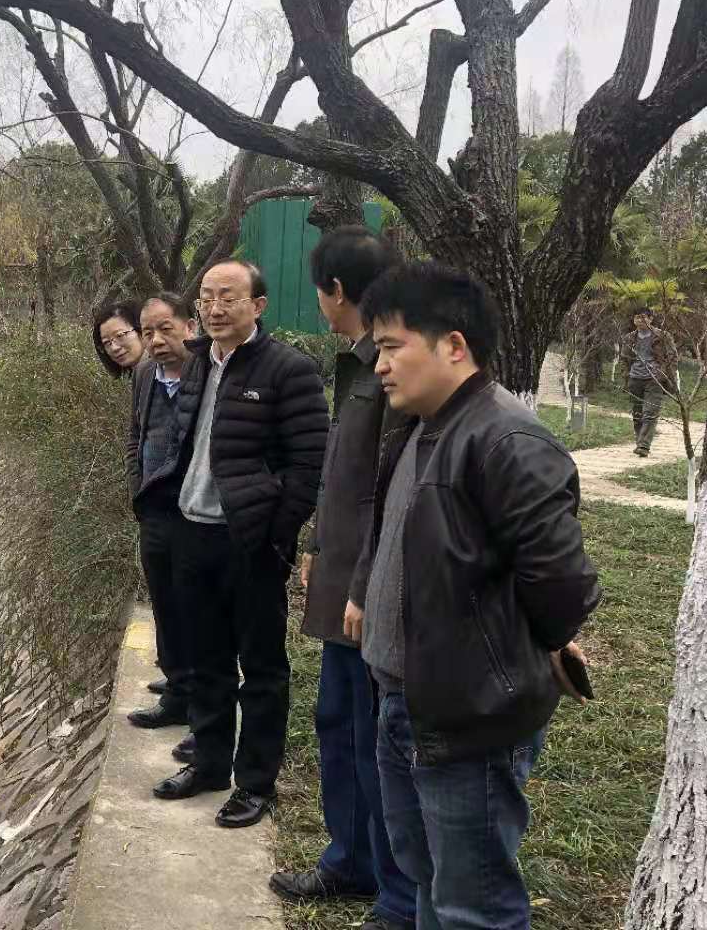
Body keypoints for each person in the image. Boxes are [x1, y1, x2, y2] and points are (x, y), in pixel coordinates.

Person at [352, 262, 600, 930]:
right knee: (429, 879)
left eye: (391, 346)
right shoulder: (421, 427)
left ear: (453, 346)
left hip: (470, 714)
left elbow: (563, 582)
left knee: (475, 904)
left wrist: (529, 647)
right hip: (406, 700)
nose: (380, 364)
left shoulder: (507, 438)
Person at [269, 227, 414, 930]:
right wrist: (317, 545)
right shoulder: (357, 363)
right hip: (342, 577)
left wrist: (359, 584)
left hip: (368, 591)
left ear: (334, 290)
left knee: (375, 738)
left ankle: (396, 894)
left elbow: (389, 494)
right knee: (339, 724)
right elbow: (343, 476)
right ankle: (349, 859)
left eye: (319, 291)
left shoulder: (388, 371)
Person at [152, 259, 328, 829]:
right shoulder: (198, 361)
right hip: (191, 533)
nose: (214, 308)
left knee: (262, 667)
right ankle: (208, 763)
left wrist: (276, 536)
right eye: (206, 297)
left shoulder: (288, 370)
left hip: (249, 543)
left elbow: (308, 466)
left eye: (228, 297)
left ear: (259, 305)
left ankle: (255, 782)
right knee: (205, 660)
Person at [125, 292, 197, 729]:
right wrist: (137, 485)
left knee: (194, 606)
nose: (156, 340)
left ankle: (193, 693)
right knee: (164, 602)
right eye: (147, 332)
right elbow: (135, 433)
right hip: (153, 508)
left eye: (166, 329)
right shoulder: (144, 374)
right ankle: (176, 686)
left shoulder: (208, 373)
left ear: (190, 326)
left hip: (194, 512)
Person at [619, 307, 677, 457]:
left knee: (650, 413)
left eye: (644, 317)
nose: (641, 320)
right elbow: (624, 359)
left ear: (651, 319)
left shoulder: (662, 336)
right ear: (634, 320)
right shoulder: (629, 338)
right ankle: (640, 442)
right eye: (637, 317)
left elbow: (672, 357)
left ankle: (644, 446)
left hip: (655, 379)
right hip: (635, 378)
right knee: (637, 414)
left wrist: (662, 374)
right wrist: (626, 375)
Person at [93, 298, 145, 376]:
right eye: (106, 342)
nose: (114, 348)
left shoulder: (161, 373)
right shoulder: (141, 376)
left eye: (120, 335)